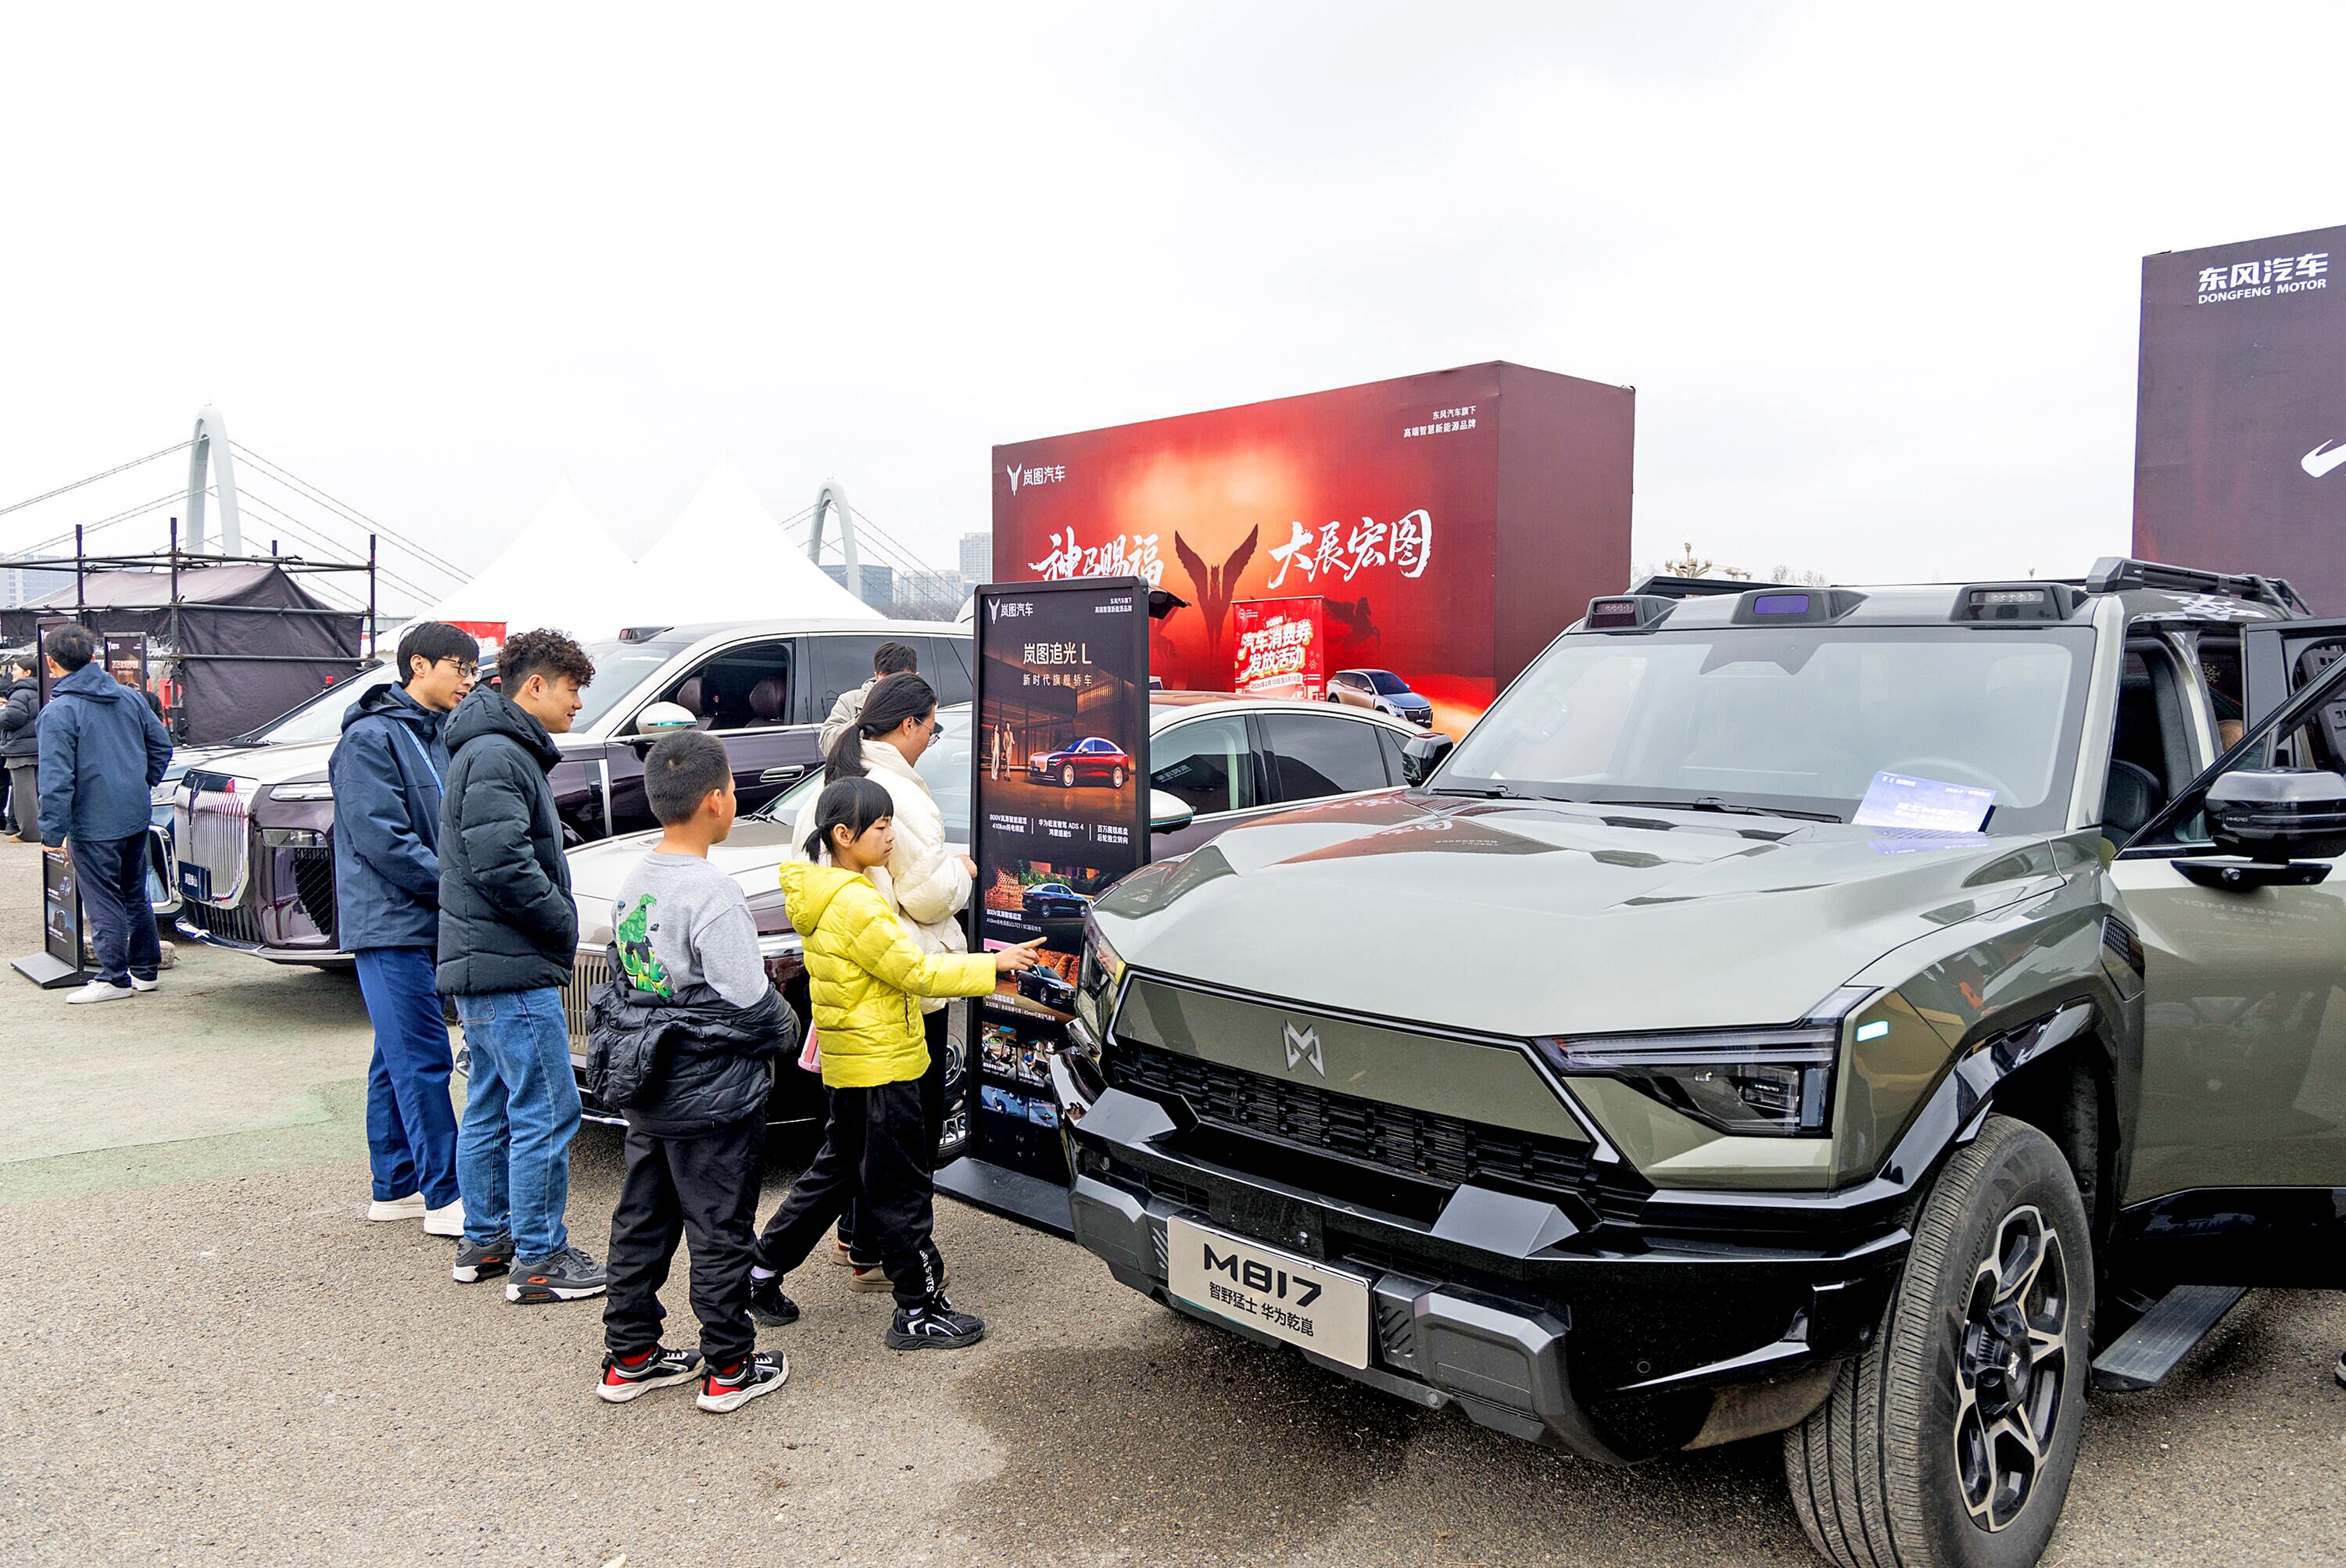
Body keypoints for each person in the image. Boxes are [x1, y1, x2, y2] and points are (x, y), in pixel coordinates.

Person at [749, 777, 1042, 1349]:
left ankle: (759, 1270)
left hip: (852, 1062)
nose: (890, 837)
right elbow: (915, 971)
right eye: (881, 828)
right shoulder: (856, 900)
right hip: (884, 1064)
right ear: (844, 835)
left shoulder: (822, 891)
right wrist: (994, 965)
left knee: (836, 1173)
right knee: (902, 1187)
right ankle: (917, 1309)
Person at [593, 730, 796, 1412]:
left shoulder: (636, 881)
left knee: (642, 1221)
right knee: (719, 1229)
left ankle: (630, 1356)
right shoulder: (712, 891)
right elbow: (746, 994)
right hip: (710, 1091)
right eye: (733, 789)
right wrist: (786, 1030)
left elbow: (635, 980)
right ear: (716, 800)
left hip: (648, 1081)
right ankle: (729, 1367)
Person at [792, 672, 974, 1294]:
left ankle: (836, 1245)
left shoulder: (835, 779)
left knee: (853, 1137)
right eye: (932, 727)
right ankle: (902, 1279)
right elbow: (926, 896)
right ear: (908, 724)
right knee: (903, 1138)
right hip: (897, 987)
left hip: (846, 989)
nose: (929, 739)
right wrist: (962, 871)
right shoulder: (892, 792)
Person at [436, 628, 602, 1302]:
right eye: (571, 690)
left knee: (492, 1104)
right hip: (509, 964)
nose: (577, 704)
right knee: (546, 1108)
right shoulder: (499, 753)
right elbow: (502, 862)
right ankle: (539, 1257)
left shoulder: (487, 747)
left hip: (485, 962)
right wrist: (561, 922)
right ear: (534, 685)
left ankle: (488, 1239)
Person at [330, 623, 478, 1240]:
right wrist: (458, 887)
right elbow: (383, 839)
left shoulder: (436, 732)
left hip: (420, 915)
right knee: (421, 1057)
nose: (468, 680)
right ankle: (446, 1196)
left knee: (396, 1057)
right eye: (459, 667)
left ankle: (395, 1187)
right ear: (419, 665)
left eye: (473, 670)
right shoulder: (369, 737)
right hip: (389, 920)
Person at [35, 624, 171, 1004]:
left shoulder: (59, 712)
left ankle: (114, 978)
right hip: (134, 812)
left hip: (93, 822)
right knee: (134, 892)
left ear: (51, 663)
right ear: (94, 657)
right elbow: (162, 746)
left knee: (103, 899)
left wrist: (51, 832)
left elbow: (56, 780)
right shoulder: (130, 698)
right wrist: (140, 783)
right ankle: (144, 970)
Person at [817, 641, 919, 753]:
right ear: (876, 676)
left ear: (916, 677)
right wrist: (866, 717)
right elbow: (827, 745)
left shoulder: (924, 705)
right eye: (886, 680)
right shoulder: (850, 701)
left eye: (900, 680)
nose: (892, 686)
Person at [1, 655, 40, 843]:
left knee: (24, 793)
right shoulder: (39, 690)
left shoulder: (20, 693)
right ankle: (20, 827)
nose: (12, 673)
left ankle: (29, 833)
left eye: (15, 669)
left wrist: (3, 712)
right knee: (33, 791)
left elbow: (13, 718)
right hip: (35, 747)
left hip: (20, 748)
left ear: (27, 672)